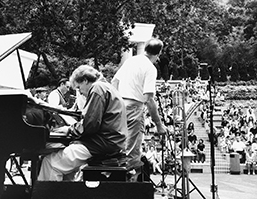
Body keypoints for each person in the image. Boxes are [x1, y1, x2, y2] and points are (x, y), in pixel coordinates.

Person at [37, 65, 127, 181]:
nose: (80, 92)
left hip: (102, 143)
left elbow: (90, 125)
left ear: (85, 80)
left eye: (79, 88)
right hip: (109, 142)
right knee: (65, 165)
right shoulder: (107, 87)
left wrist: (69, 129)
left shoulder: (97, 88)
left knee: (50, 163)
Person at [111, 38, 167, 179]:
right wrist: (159, 125)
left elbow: (114, 81)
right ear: (158, 53)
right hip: (135, 108)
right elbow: (149, 99)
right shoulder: (150, 68)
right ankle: (130, 186)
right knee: (132, 151)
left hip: (119, 107)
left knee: (120, 147)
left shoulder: (131, 61)